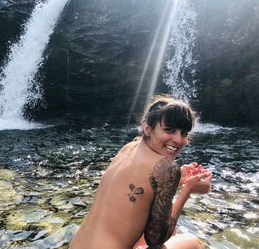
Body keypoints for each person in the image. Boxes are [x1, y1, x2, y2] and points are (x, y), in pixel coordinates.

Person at [69, 94, 212, 249]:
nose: (178, 140)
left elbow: (139, 196)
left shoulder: (128, 148)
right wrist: (187, 190)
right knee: (194, 243)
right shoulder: (167, 168)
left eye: (184, 133)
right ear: (147, 128)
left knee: (170, 229)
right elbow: (156, 240)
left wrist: (177, 181)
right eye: (169, 130)